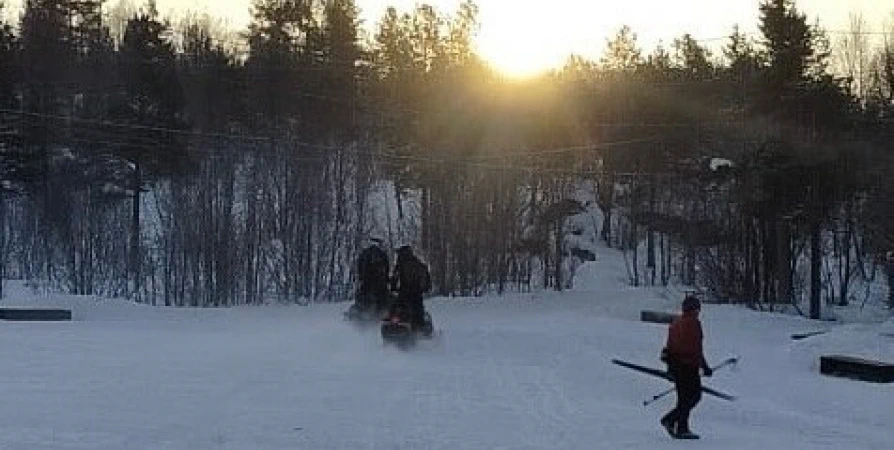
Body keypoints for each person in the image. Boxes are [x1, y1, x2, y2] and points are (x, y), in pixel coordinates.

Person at [660, 295, 712, 440]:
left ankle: (682, 427)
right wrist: (705, 367)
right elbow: (696, 348)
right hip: (688, 366)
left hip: (675, 365)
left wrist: (670, 368)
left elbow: (669, 346)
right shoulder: (694, 324)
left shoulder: (676, 323)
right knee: (694, 396)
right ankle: (671, 420)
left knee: (683, 398)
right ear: (695, 309)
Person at [389, 245, 432, 332]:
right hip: (416, 295)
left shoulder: (400, 266)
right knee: (419, 315)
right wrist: (424, 289)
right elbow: (427, 284)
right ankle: (420, 332)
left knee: (394, 309)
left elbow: (394, 280)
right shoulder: (420, 265)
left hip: (403, 294)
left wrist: (393, 288)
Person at [354, 238, 391, 314]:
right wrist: (386, 279)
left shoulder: (364, 254)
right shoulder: (382, 254)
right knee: (383, 299)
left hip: (366, 282)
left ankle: (361, 314)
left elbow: (359, 268)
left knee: (362, 298)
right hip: (380, 283)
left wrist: (361, 277)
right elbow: (387, 268)